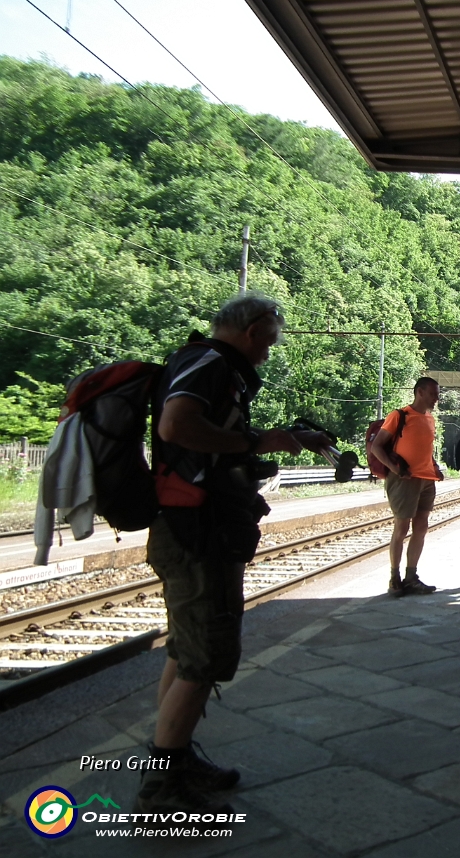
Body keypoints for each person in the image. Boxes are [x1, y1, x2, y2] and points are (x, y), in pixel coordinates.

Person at [141, 294, 331, 810]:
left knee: (186, 650)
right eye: (269, 339)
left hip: (193, 525)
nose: (269, 351)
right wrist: (253, 446)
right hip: (198, 529)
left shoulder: (207, 365)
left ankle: (174, 757)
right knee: (206, 657)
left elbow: (211, 437)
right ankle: (161, 788)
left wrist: (280, 439)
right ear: (252, 330)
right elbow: (176, 427)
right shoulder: (208, 363)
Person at [368, 376, 445, 597]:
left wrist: (433, 467)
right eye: (433, 393)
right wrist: (394, 468)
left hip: (426, 480)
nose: (436, 398)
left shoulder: (430, 419)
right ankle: (395, 578)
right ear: (420, 392)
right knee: (401, 529)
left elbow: (424, 448)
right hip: (404, 480)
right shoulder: (399, 416)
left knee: (421, 528)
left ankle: (411, 577)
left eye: (437, 394)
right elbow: (377, 447)